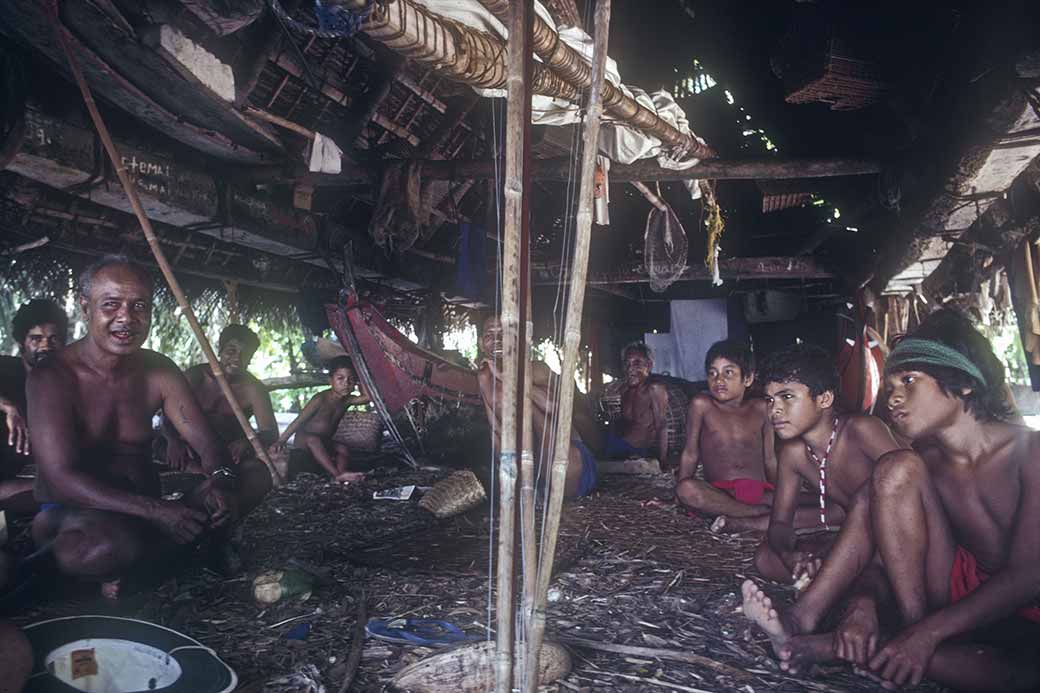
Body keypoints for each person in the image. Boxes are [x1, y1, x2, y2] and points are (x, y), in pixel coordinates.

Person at [741, 310, 1040, 691]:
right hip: (955, 595)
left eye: (909, 381)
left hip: (1028, 607)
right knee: (892, 469)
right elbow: (880, 542)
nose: (893, 396)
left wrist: (926, 635)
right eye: (892, 383)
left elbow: (1028, 575)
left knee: (1017, 676)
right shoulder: (920, 462)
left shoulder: (1030, 452)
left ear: (964, 385)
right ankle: (802, 619)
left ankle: (871, 646)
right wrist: (862, 603)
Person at [27, 256, 272, 593]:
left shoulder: (159, 370)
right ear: (86, 307)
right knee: (102, 549)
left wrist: (222, 480)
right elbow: (60, 479)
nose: (126, 317)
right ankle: (176, 557)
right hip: (81, 516)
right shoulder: (52, 376)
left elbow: (207, 443)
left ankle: (152, 563)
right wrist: (157, 511)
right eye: (111, 305)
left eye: (139, 305)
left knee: (255, 474)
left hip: (155, 514)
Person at [750, 344, 902, 584]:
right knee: (765, 558)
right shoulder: (794, 453)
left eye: (787, 397)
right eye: (769, 400)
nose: (774, 409)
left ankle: (840, 587)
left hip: (896, 538)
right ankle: (836, 582)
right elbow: (780, 523)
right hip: (855, 539)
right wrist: (790, 555)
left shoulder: (861, 430)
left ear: (824, 399)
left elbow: (911, 483)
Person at [477, 317, 597, 498]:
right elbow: (496, 429)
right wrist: (509, 476)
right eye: (489, 335)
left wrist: (506, 377)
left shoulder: (537, 369)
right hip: (532, 470)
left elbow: (553, 408)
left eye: (504, 334)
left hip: (568, 462)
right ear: (480, 343)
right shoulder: (484, 378)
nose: (497, 340)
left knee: (528, 405)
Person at [674, 340, 777, 524]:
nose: (718, 380)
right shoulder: (702, 405)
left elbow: (770, 459)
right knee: (686, 490)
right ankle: (756, 514)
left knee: (819, 503)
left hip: (760, 491)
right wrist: (679, 498)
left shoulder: (761, 408)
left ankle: (745, 513)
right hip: (720, 494)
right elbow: (690, 453)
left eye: (728, 372)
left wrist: (780, 493)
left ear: (748, 379)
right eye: (712, 373)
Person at [163, 324, 278, 473]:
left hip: (228, 452)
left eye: (245, 354)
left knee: (257, 469)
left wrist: (247, 442)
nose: (237, 358)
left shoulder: (254, 389)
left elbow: (270, 432)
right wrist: (173, 440)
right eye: (231, 351)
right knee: (159, 446)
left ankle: (207, 476)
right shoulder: (196, 376)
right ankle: (203, 475)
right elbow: (167, 413)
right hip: (189, 445)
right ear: (220, 350)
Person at [0, 299, 68, 511]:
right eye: (36, 339)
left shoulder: (66, 382)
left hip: (33, 477)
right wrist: (7, 406)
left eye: (53, 338)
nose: (45, 346)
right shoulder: (5, 367)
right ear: (22, 342)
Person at [273, 356, 370, 483]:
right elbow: (299, 421)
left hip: (324, 441)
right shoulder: (320, 399)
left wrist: (361, 375)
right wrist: (281, 440)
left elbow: (367, 397)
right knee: (314, 440)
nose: (346, 383)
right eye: (340, 378)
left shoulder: (348, 400)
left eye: (351, 380)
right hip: (305, 441)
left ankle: (341, 474)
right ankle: (336, 475)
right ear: (330, 380)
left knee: (342, 448)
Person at [604, 342, 670, 464]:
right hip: (616, 446)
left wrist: (663, 460)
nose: (630, 369)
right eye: (627, 364)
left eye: (637, 363)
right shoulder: (624, 390)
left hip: (638, 451)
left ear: (649, 366)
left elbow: (662, 425)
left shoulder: (654, 389)